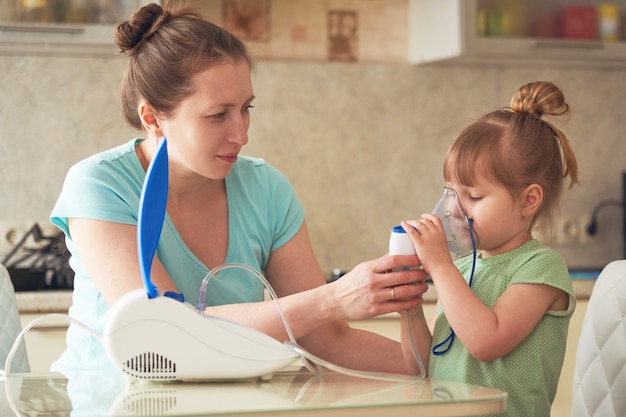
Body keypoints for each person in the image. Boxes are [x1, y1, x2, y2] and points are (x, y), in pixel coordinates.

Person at [49, 3, 428, 375]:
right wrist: (333, 298)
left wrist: (447, 366)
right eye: (218, 115)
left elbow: (326, 339)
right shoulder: (99, 185)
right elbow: (164, 331)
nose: (242, 134)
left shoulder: (267, 190)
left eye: (246, 108)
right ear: (153, 119)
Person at [400, 81, 579, 416]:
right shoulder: (465, 268)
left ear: (528, 200)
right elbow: (426, 368)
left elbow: (486, 342)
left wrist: (440, 268)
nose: (452, 208)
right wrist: (409, 311)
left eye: (475, 196)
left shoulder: (541, 268)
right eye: (452, 192)